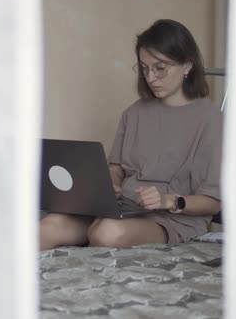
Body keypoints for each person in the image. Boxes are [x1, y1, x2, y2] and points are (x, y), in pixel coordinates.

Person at [40, 19, 223, 250]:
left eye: (160, 68)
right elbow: (117, 168)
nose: (151, 78)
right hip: (123, 206)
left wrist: (169, 200)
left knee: (107, 233)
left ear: (187, 65)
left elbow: (213, 203)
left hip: (171, 218)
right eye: (144, 68)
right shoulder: (134, 112)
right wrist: (109, 184)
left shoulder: (211, 119)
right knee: (47, 226)